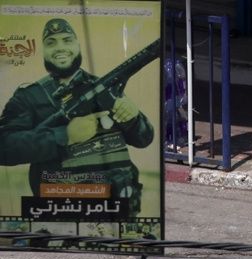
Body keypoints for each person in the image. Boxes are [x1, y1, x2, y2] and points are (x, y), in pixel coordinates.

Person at [0, 18, 154, 218]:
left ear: (78, 45)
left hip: (117, 204)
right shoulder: (29, 96)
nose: (60, 48)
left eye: (67, 40)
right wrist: (66, 135)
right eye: (51, 42)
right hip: (62, 208)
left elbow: (144, 139)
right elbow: (4, 146)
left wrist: (133, 117)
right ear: (43, 51)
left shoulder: (102, 86)